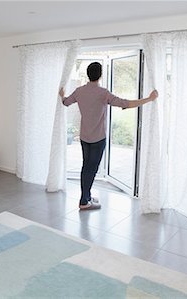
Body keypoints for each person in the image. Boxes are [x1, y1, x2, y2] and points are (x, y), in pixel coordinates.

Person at [59, 62, 158, 210]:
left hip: (85, 137)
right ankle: (84, 201)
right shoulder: (103, 93)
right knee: (91, 169)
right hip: (98, 139)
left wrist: (62, 94)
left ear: (88, 74)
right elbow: (126, 103)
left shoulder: (79, 91)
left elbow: (65, 102)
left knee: (86, 167)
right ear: (100, 75)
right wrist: (149, 99)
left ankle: (86, 196)